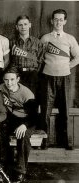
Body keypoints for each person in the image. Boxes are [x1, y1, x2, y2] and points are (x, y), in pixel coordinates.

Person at [40, 9, 79, 149]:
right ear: (51, 21)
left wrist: (66, 66)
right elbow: (40, 57)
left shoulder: (70, 39)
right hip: (48, 77)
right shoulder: (45, 38)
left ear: (65, 21)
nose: (58, 22)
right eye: (56, 19)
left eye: (61, 19)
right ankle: (43, 142)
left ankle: (66, 143)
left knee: (65, 110)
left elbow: (78, 57)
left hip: (64, 77)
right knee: (45, 111)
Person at [0, 66, 38, 183]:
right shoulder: (1, 87)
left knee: (23, 136)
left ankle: (20, 171)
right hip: (12, 119)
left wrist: (25, 125)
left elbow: (35, 116)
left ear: (18, 79)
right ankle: (7, 167)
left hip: (27, 120)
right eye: (6, 80)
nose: (9, 83)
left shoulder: (27, 94)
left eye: (12, 79)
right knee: (1, 132)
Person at [9, 15, 45, 95]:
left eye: (25, 24)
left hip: (32, 74)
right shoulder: (12, 42)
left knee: (31, 100)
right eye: (20, 25)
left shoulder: (37, 42)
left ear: (30, 25)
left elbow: (40, 60)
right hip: (18, 75)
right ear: (16, 27)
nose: (23, 27)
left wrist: (35, 72)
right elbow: (10, 60)